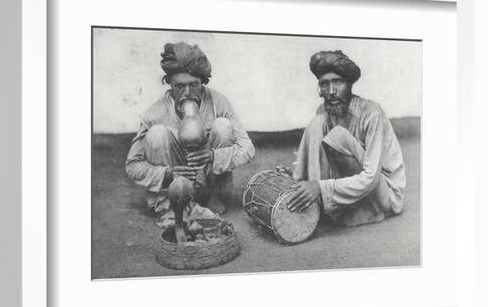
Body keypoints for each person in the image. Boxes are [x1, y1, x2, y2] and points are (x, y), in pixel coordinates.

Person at [126, 42, 255, 228]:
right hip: (174, 187)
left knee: (223, 126)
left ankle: (212, 197)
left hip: (211, 187)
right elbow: (133, 165)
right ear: (169, 84)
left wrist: (213, 156)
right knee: (157, 133)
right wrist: (167, 173)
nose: (187, 92)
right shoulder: (155, 113)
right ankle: (169, 207)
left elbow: (248, 148)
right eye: (179, 86)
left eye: (193, 85)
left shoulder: (218, 102)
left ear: (203, 81)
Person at [287, 50, 406, 227]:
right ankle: (309, 197)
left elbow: (371, 178)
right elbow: (322, 158)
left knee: (338, 136)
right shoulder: (323, 112)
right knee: (317, 122)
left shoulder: (372, 112)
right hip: (355, 188)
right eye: (325, 84)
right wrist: (298, 178)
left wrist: (320, 188)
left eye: (338, 82)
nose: (332, 91)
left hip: (384, 194)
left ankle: (368, 211)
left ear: (349, 85)